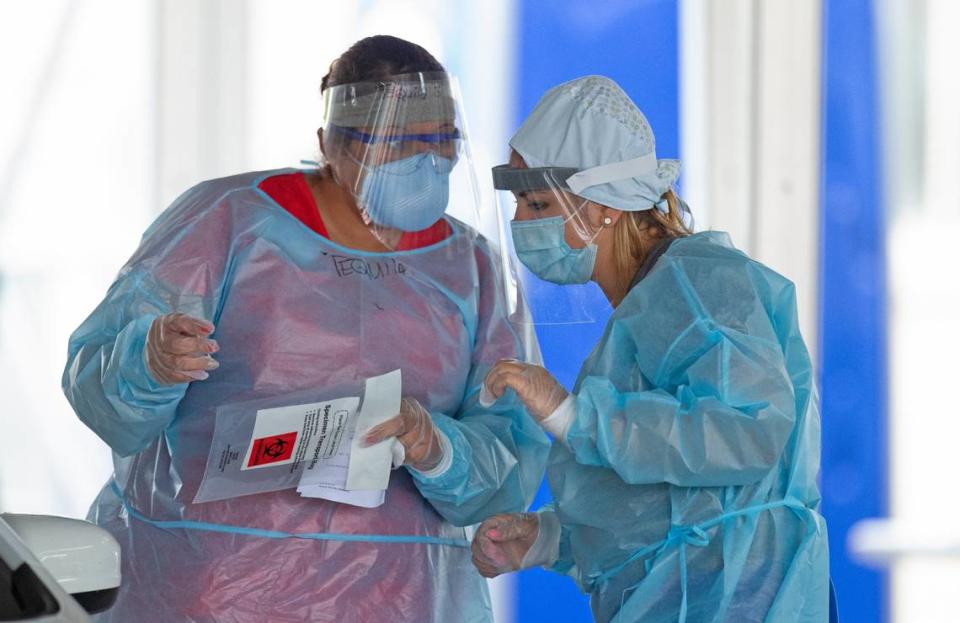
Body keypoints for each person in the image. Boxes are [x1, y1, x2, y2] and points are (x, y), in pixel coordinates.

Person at [62, 35, 549, 622]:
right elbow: (100, 394)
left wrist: (438, 448)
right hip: (215, 592)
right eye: (396, 142)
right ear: (330, 145)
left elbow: (508, 459)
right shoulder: (229, 222)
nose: (426, 160)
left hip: (404, 599)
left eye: (440, 140)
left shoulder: (471, 267)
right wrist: (149, 363)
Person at [471, 75, 829, 622]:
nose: (520, 221)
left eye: (536, 200)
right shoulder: (650, 305)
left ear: (601, 208)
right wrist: (550, 539)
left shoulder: (697, 287)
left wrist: (573, 416)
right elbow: (673, 497)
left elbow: (750, 429)